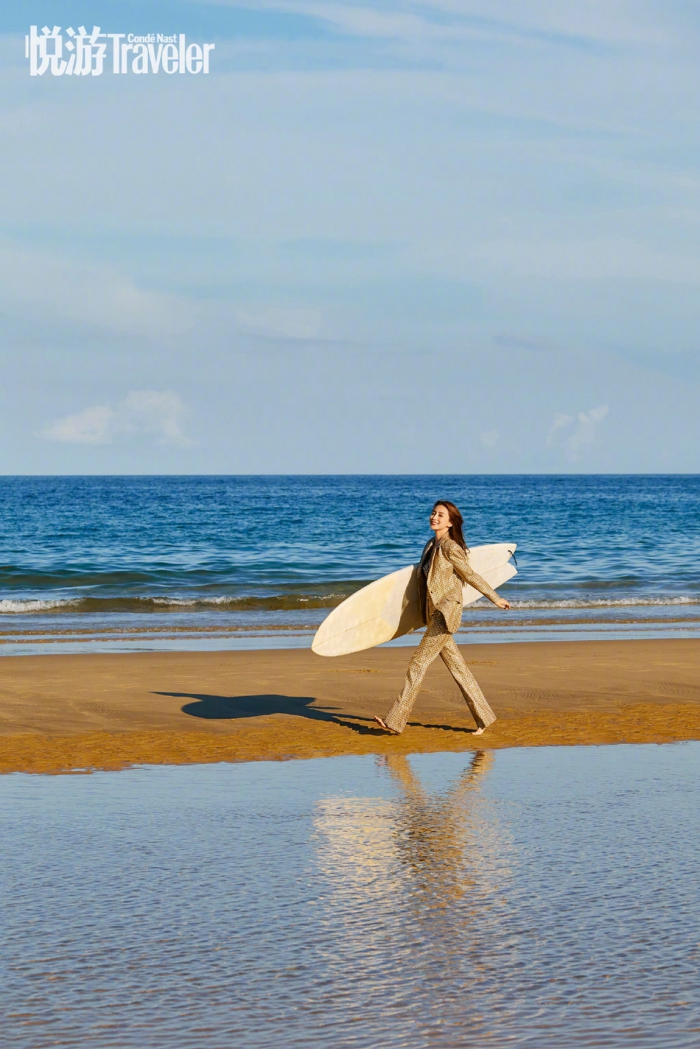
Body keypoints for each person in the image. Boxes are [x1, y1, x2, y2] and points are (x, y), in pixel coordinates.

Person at [374, 500, 510, 736]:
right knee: (459, 668)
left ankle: (395, 721)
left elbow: (470, 574)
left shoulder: (450, 547)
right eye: (433, 513)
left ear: (450, 523)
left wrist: (494, 598)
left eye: (440, 515)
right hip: (432, 613)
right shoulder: (430, 545)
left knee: (417, 664)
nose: (434, 517)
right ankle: (484, 718)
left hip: (445, 614)